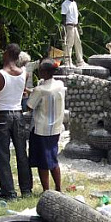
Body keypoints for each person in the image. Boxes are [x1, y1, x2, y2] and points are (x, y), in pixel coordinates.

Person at [0, 43, 33, 200]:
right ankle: (26, 189)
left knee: (3, 154)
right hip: (18, 114)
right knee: (22, 153)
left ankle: (9, 192)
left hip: (2, 115)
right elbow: (21, 92)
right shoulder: (24, 73)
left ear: (6, 54)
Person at [27, 58, 66, 192]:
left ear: (43, 72)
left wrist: (29, 93)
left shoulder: (40, 90)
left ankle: (46, 190)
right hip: (55, 127)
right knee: (53, 159)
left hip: (41, 128)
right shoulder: (60, 84)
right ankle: (58, 187)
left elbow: (30, 106)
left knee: (42, 162)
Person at [61, 0, 85, 67]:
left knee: (78, 43)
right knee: (69, 44)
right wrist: (64, 28)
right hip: (69, 26)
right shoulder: (65, 4)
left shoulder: (74, 3)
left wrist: (78, 26)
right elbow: (63, 16)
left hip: (75, 26)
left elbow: (76, 16)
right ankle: (68, 61)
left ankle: (80, 61)